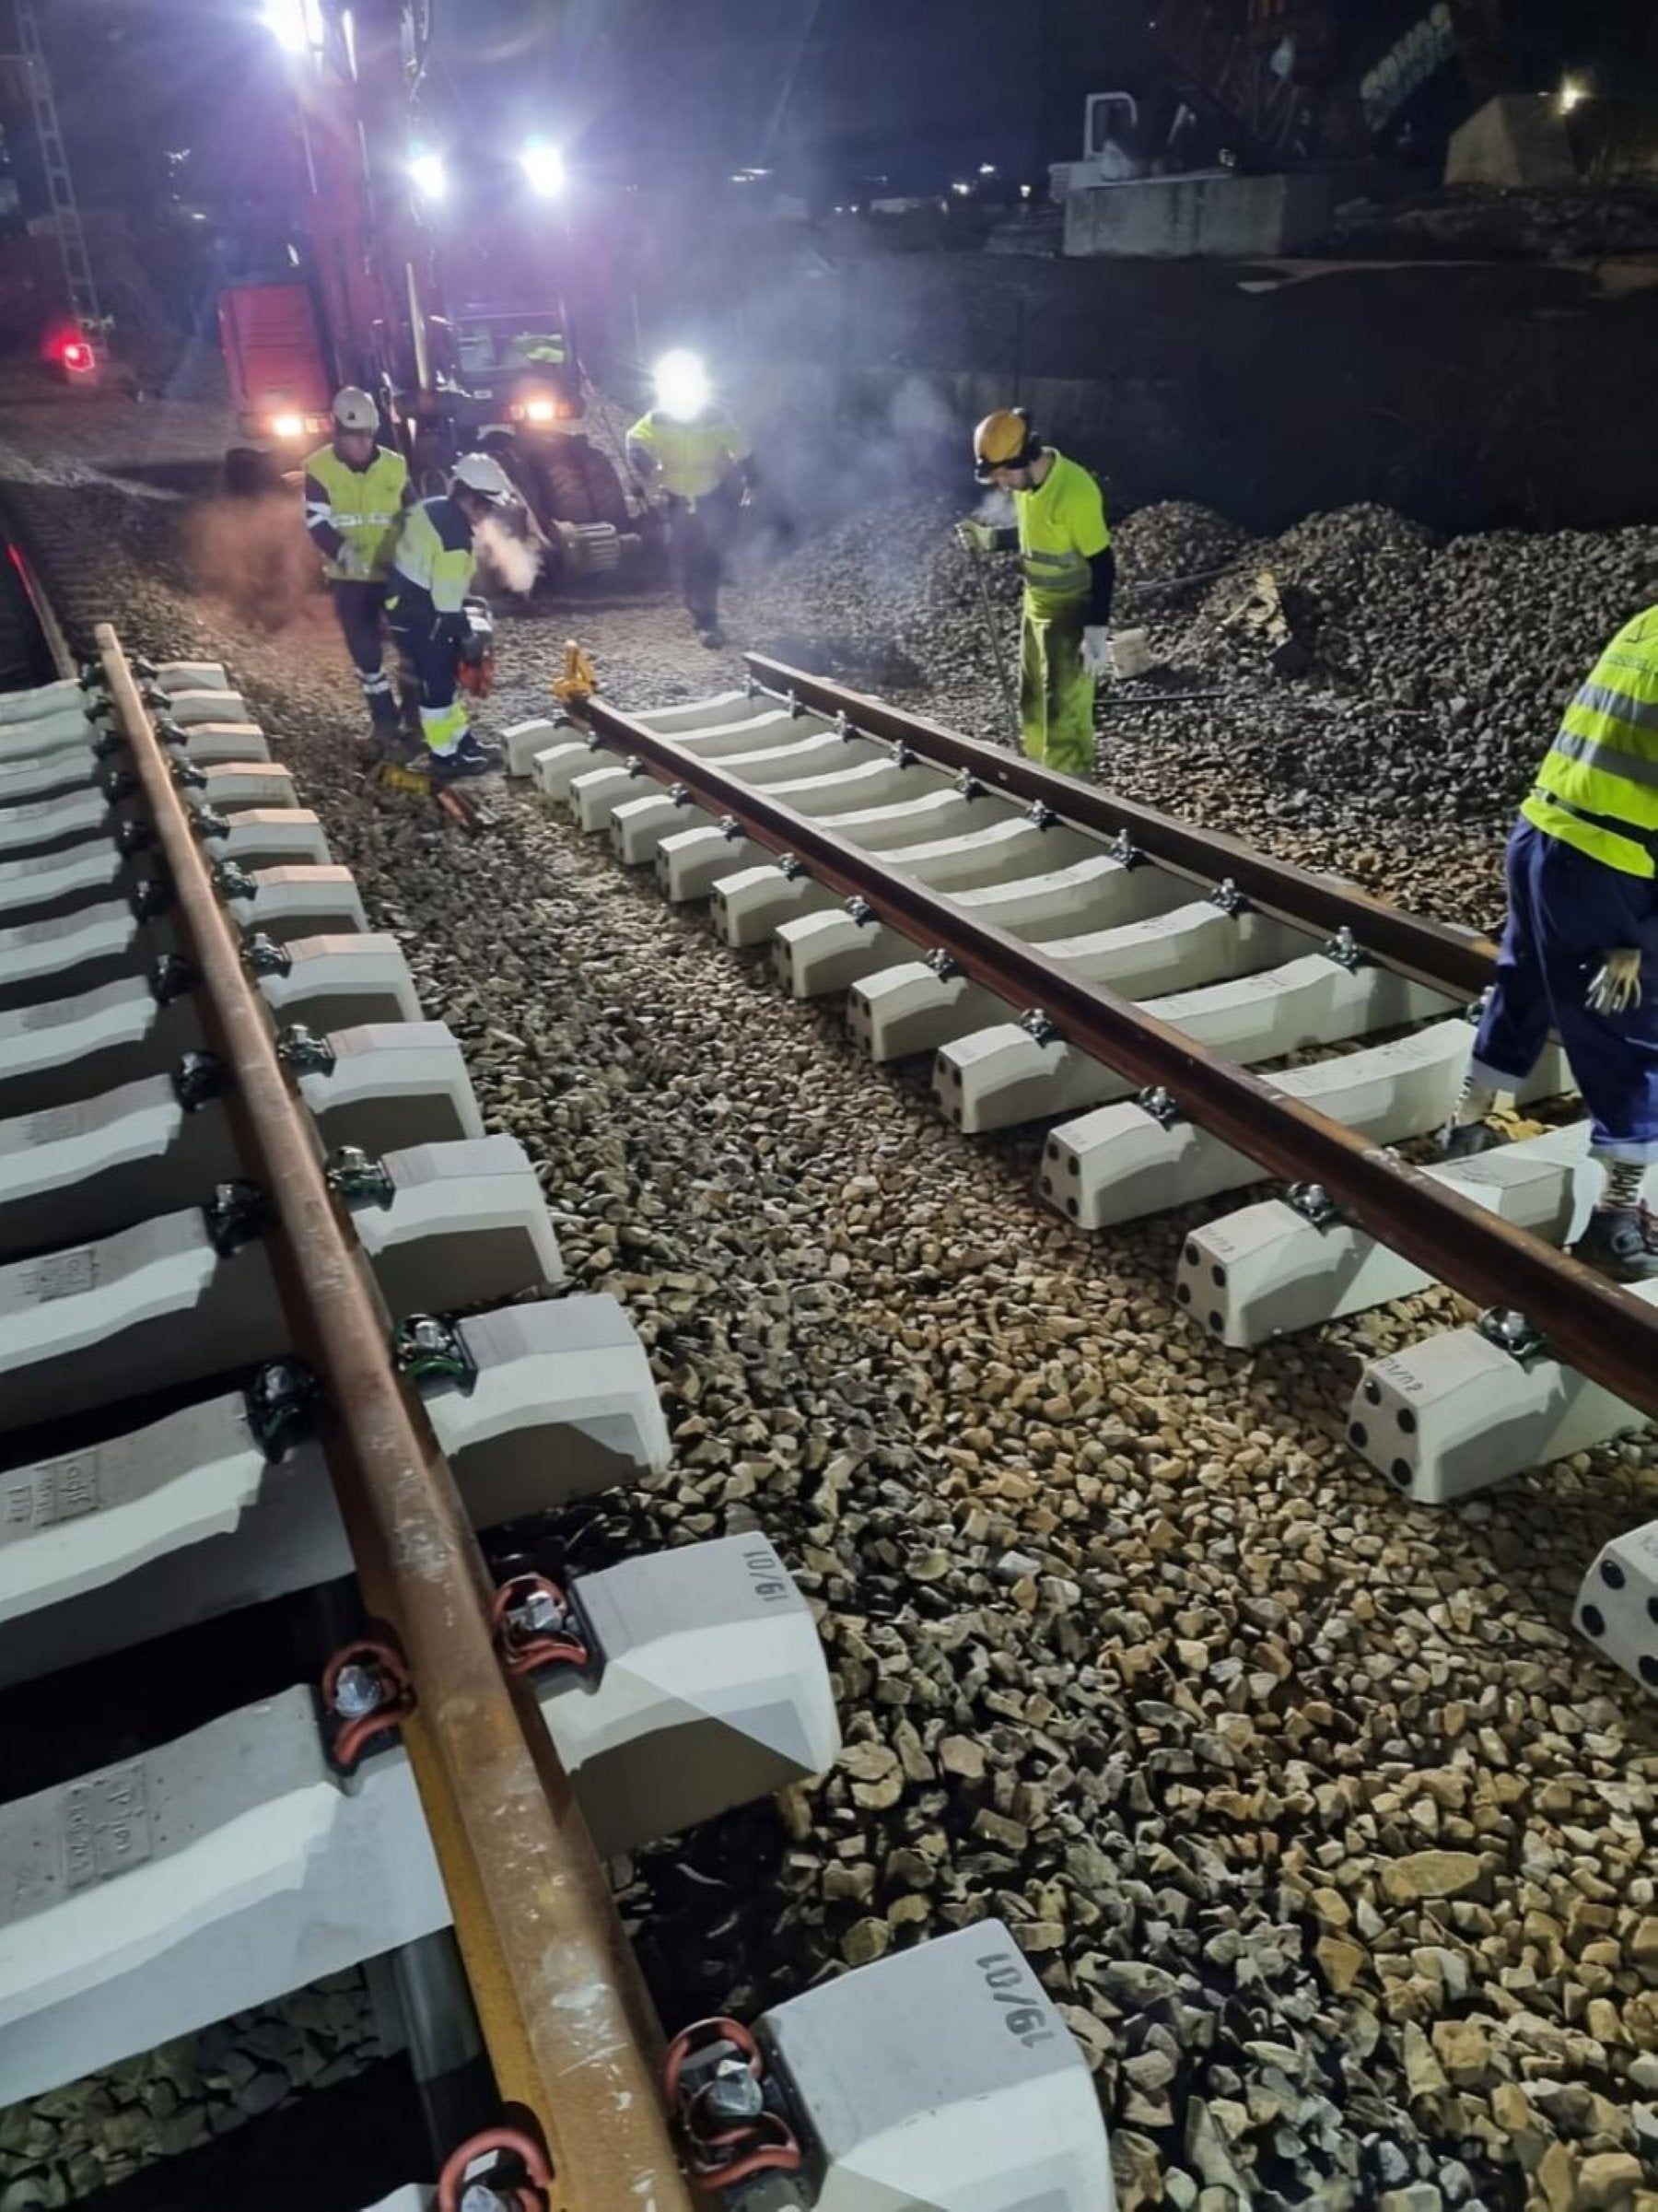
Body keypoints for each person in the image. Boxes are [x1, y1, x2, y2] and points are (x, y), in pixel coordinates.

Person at [1442, 603, 1658, 1281]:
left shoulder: (1647, 623)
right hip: (1612, 867)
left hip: (1542, 833)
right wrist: (1640, 937)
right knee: (1630, 1033)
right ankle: (1616, 1223)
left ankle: (1465, 1129)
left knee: (1526, 982)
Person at [957, 408, 1115, 778]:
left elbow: (1104, 564)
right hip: (1036, 607)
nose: (1003, 486)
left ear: (1026, 457)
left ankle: (1072, 799)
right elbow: (1035, 534)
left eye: (1004, 476)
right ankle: (1038, 782)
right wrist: (991, 538)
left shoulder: (1074, 492)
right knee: (1033, 708)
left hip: (1071, 613)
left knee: (1064, 718)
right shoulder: (1027, 484)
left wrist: (1096, 630)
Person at [384, 451, 515, 782]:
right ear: (469, 497)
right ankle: (445, 756)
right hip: (420, 614)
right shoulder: (454, 537)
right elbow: (446, 603)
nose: (488, 515)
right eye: (486, 507)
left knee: (444, 679)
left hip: (407, 603)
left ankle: (462, 742)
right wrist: (468, 638)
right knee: (437, 685)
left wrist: (464, 614)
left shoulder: (438, 508)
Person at [302, 388, 413, 748]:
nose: (362, 444)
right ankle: (383, 718)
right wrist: (339, 550)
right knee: (366, 655)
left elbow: (415, 515)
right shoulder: (319, 469)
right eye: (354, 437)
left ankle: (414, 718)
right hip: (349, 580)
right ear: (337, 432)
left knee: (412, 647)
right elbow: (316, 523)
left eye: (367, 435)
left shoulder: (395, 465)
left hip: (394, 574)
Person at [626, 350, 755, 647]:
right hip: (677, 495)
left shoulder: (716, 416)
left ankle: (708, 618)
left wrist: (752, 479)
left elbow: (742, 449)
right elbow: (634, 439)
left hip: (711, 491)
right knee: (685, 553)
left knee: (710, 554)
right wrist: (645, 466)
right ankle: (695, 606)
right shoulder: (658, 418)